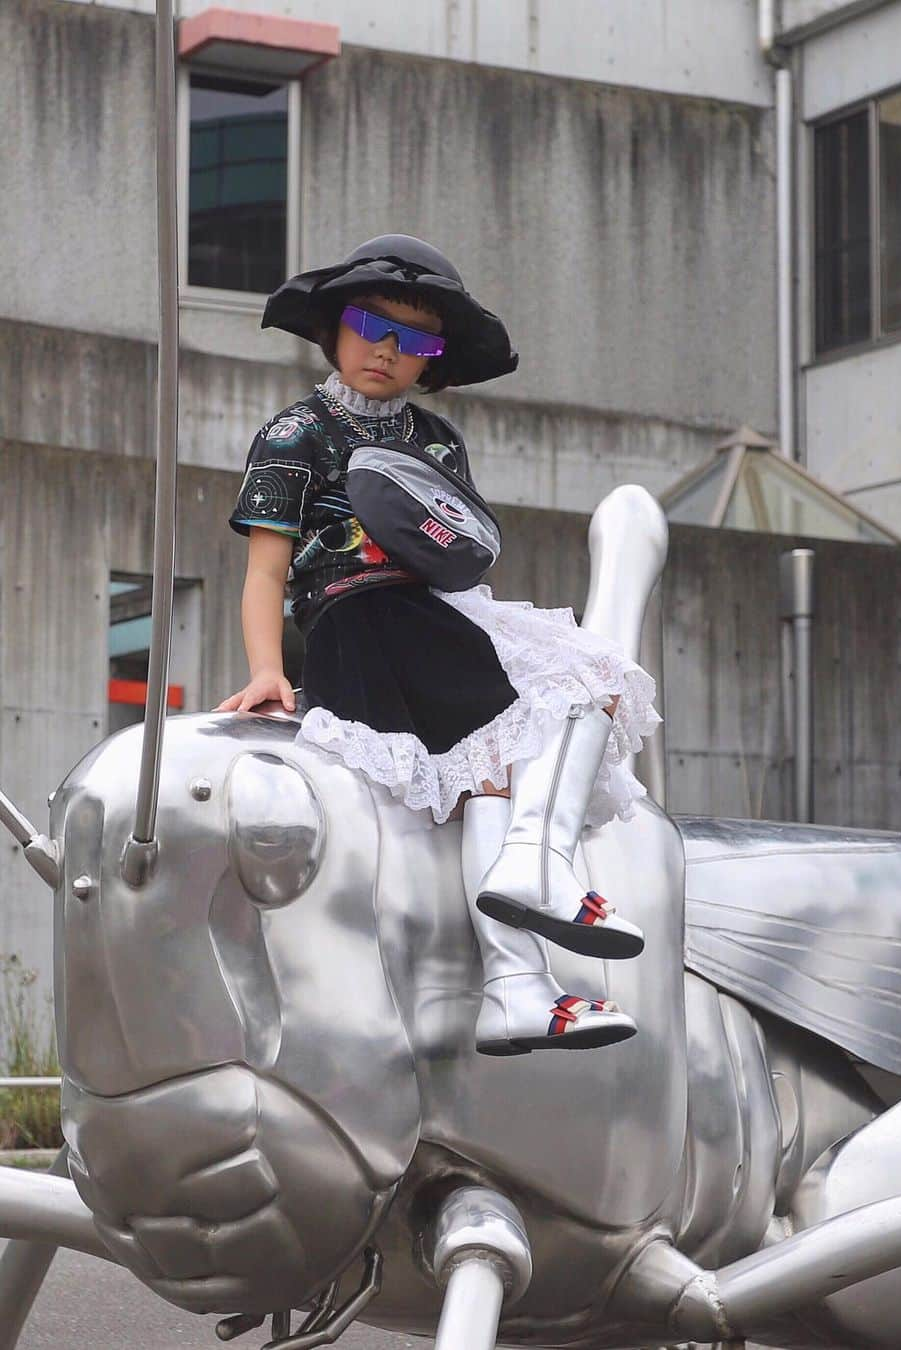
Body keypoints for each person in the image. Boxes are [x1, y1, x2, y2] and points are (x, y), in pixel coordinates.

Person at [217, 234, 660, 1055]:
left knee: (495, 771)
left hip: (432, 618)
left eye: (414, 340)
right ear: (333, 329)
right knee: (578, 683)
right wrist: (270, 670)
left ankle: (517, 988)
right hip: (358, 621)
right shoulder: (294, 433)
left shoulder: (437, 441)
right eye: (370, 325)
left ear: (434, 360)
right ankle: (538, 867)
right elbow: (265, 570)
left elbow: (455, 554)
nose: (388, 350)